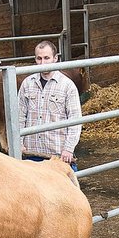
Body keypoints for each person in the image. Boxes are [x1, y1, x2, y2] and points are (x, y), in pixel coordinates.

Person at [17, 39, 82, 171]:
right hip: (31, 153)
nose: (43, 63)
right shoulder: (27, 83)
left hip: (57, 155)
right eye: (39, 58)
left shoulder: (67, 86)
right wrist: (18, 143)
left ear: (55, 58)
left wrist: (69, 149)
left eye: (47, 58)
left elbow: (75, 120)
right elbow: (19, 116)